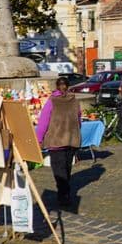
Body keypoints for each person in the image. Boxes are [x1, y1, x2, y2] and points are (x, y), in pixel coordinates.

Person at [35, 77, 81, 208]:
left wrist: (39, 139)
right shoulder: (75, 101)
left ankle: (64, 196)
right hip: (71, 139)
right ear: (68, 86)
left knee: (59, 171)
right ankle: (65, 194)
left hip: (56, 140)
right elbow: (79, 120)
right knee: (66, 168)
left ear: (56, 86)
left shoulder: (52, 101)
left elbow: (43, 122)